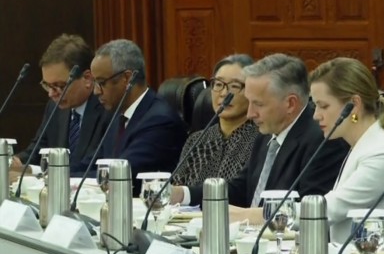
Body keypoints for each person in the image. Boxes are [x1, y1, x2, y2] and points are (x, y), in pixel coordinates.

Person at [170, 53, 348, 222]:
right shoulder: (268, 133)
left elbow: (311, 211)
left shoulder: (323, 141)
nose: (250, 113)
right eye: (249, 102)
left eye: (258, 104)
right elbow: (239, 189)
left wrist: (245, 216)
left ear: (290, 103)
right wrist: (182, 194)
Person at [309, 57, 384, 249]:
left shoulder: (383, 153)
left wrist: (259, 215)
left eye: (323, 106)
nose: (316, 115)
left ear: (354, 105)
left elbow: (328, 210)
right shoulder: (362, 144)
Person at [92, 39, 187, 195]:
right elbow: (92, 164)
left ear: (127, 78)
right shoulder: (115, 116)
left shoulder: (160, 121)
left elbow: (122, 173)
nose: (96, 91)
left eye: (101, 83)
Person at [12, 34, 108, 176]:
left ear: (87, 78)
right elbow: (36, 152)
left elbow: (95, 166)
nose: (51, 94)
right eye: (47, 85)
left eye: (59, 86)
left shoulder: (108, 107)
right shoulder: (54, 107)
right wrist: (13, 163)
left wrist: (45, 174)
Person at [171, 55, 259, 187]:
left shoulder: (260, 142)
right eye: (218, 84)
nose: (224, 93)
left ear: (252, 91)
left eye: (234, 86)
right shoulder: (196, 141)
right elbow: (177, 188)